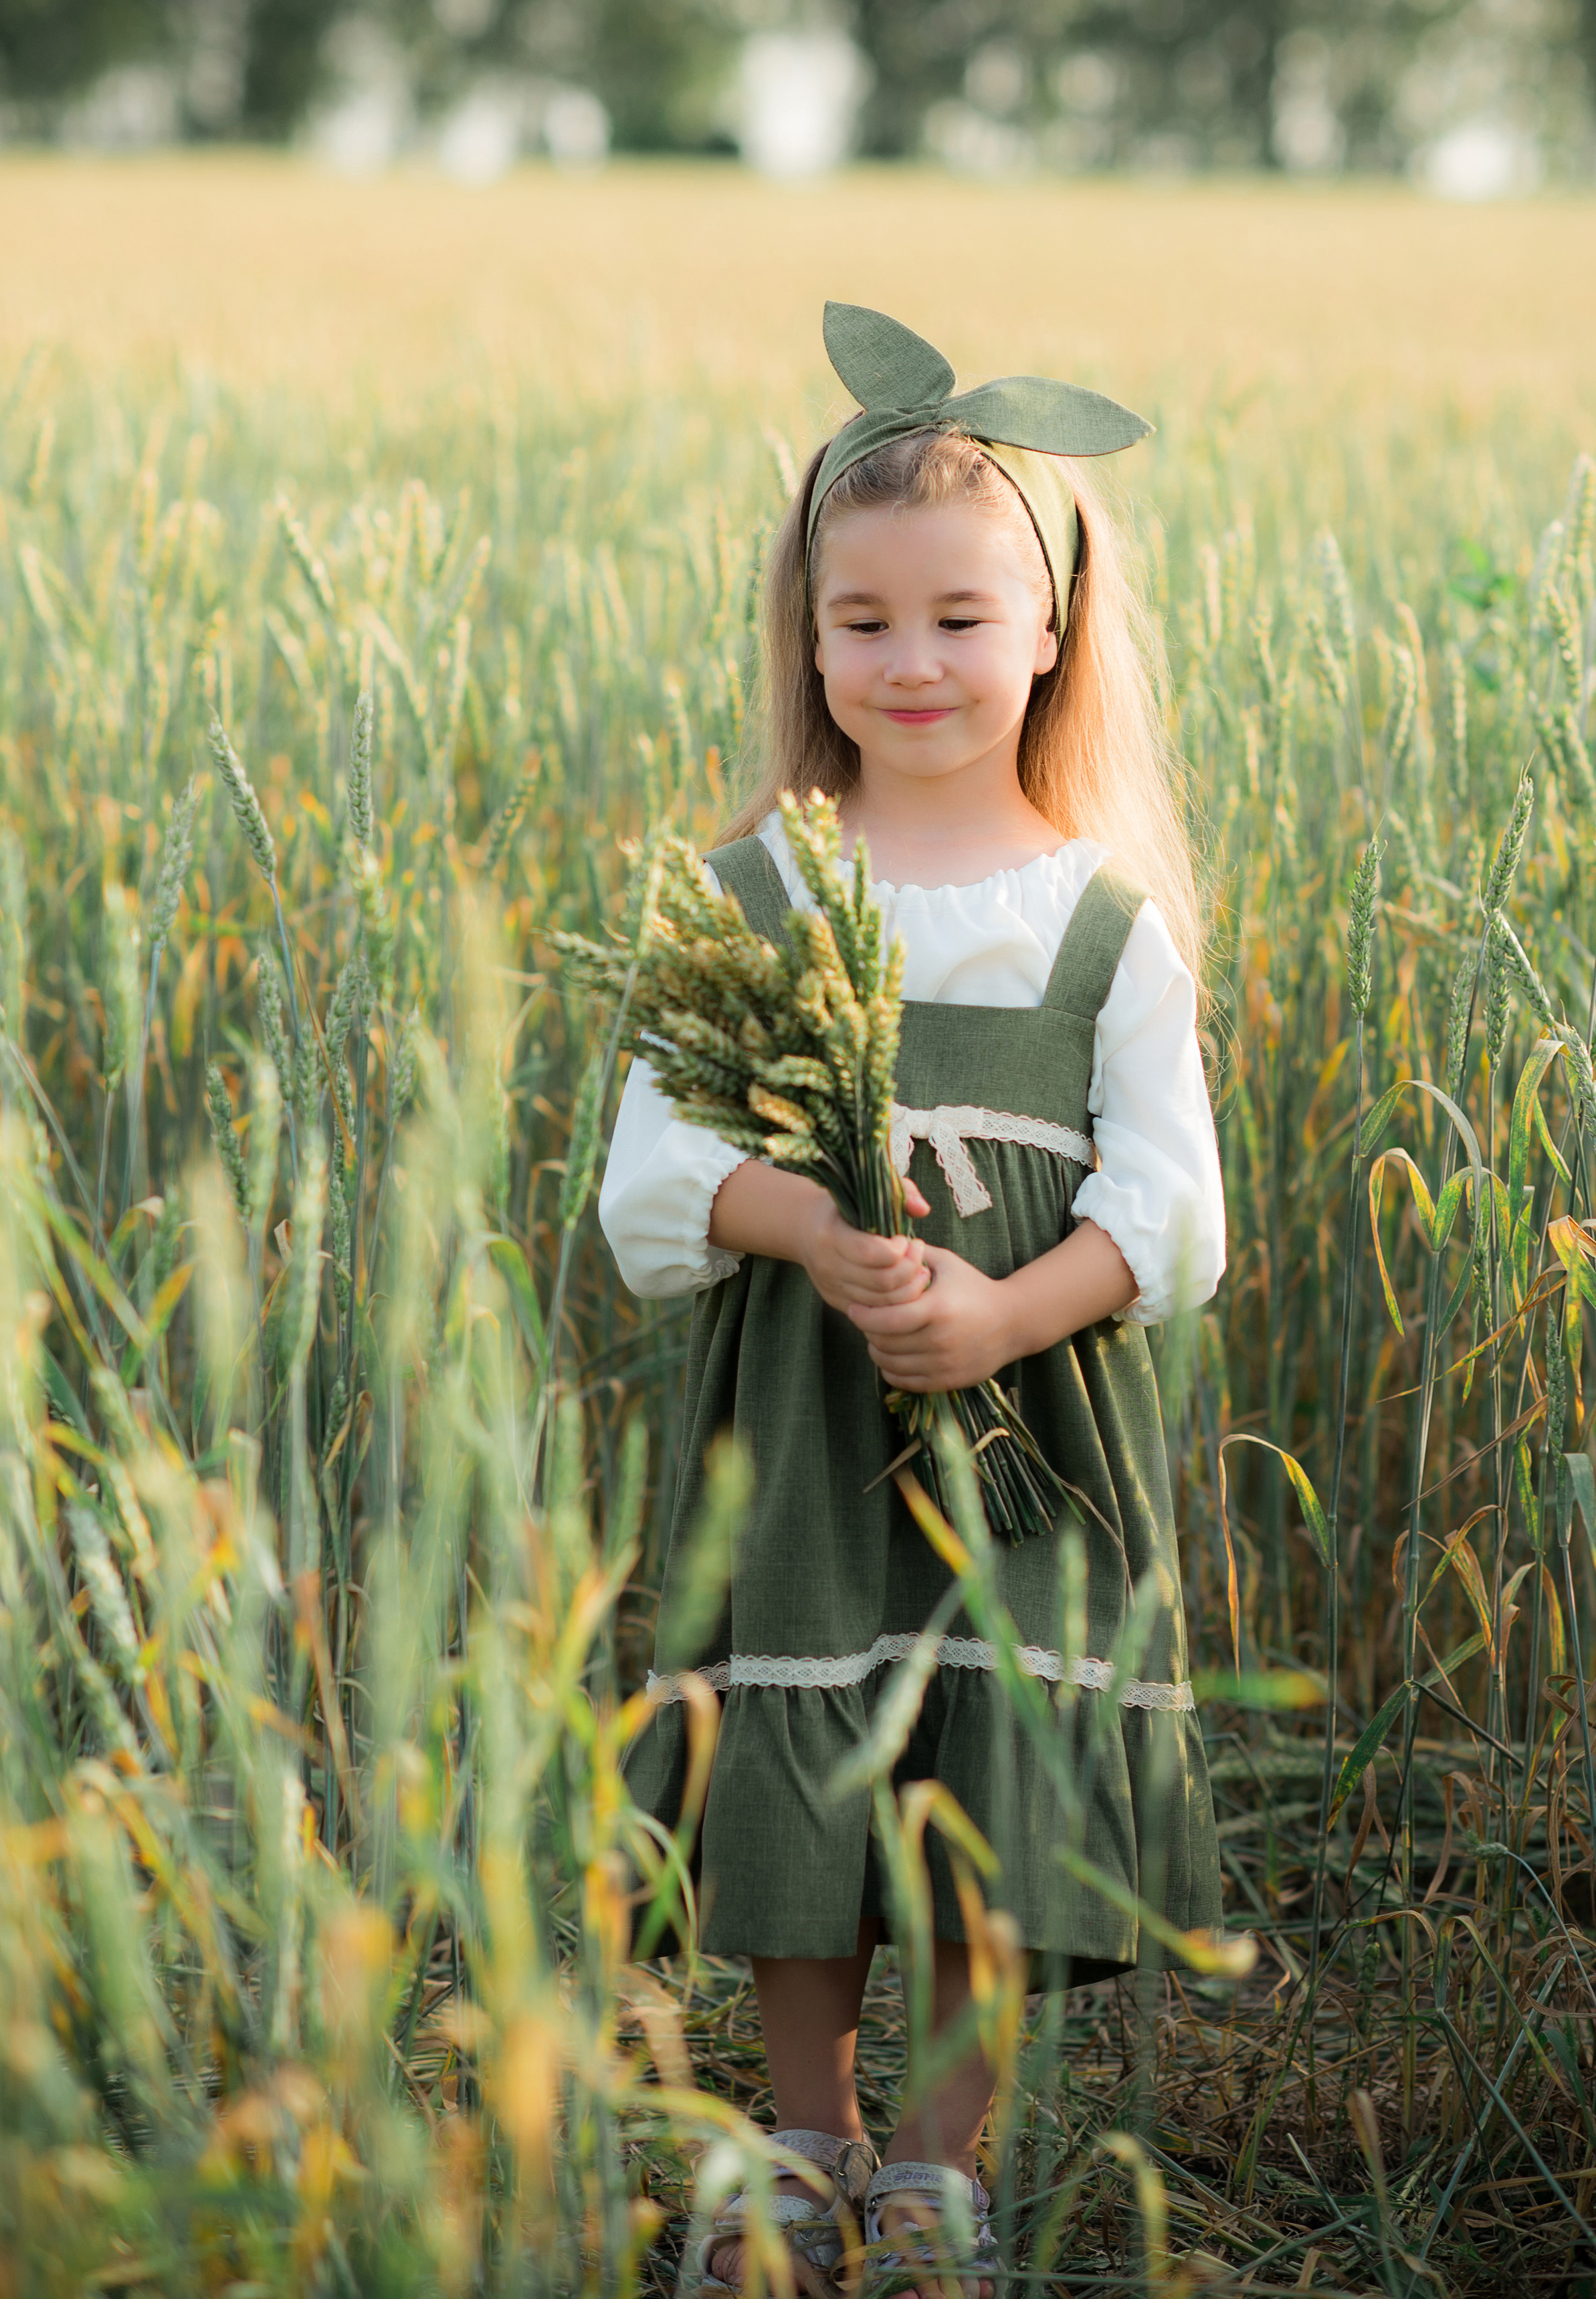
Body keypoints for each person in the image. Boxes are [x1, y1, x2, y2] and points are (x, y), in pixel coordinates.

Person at [597, 304, 1226, 2299]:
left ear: (1050, 628)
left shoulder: (1105, 923)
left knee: (981, 1769)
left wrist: (1009, 1310)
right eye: (860, 620)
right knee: (812, 1736)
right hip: (801, 1421)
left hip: (1029, 1437)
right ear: (807, 640)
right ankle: (804, 2131)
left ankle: (935, 2163)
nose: (912, 661)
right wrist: (804, 1223)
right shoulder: (759, 890)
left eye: (961, 617)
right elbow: (651, 1179)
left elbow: (1178, 1214)